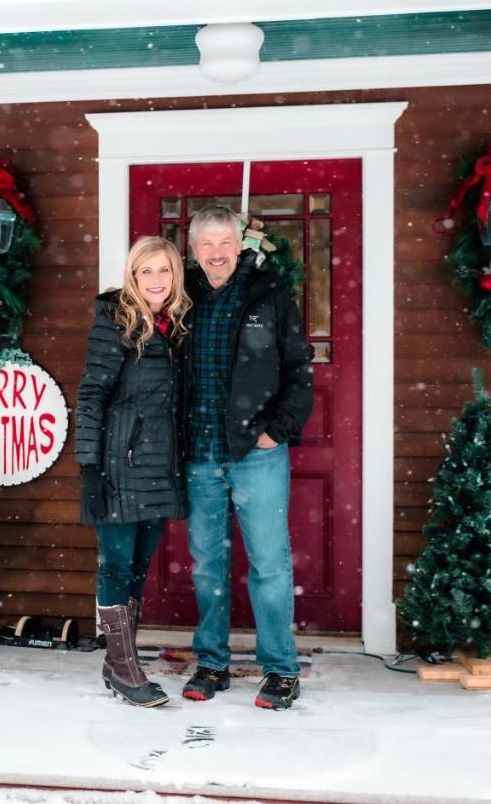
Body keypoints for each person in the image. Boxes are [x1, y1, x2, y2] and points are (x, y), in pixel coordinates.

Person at [181, 204, 314, 710]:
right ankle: (211, 663)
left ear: (241, 246)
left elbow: (298, 368)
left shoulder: (270, 294)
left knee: (269, 563)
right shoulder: (182, 297)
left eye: (224, 242)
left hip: (255, 454)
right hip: (199, 453)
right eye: (206, 244)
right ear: (194, 251)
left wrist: (275, 431)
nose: (217, 253)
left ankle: (281, 669)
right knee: (207, 565)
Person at [75, 236, 190, 708]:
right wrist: (89, 468)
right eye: (146, 271)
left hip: (159, 468)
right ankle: (123, 667)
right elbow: (90, 397)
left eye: (164, 271)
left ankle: (118, 662)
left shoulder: (175, 327)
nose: (156, 280)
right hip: (117, 467)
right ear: (133, 276)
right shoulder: (115, 325)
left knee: (138, 569)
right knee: (117, 566)